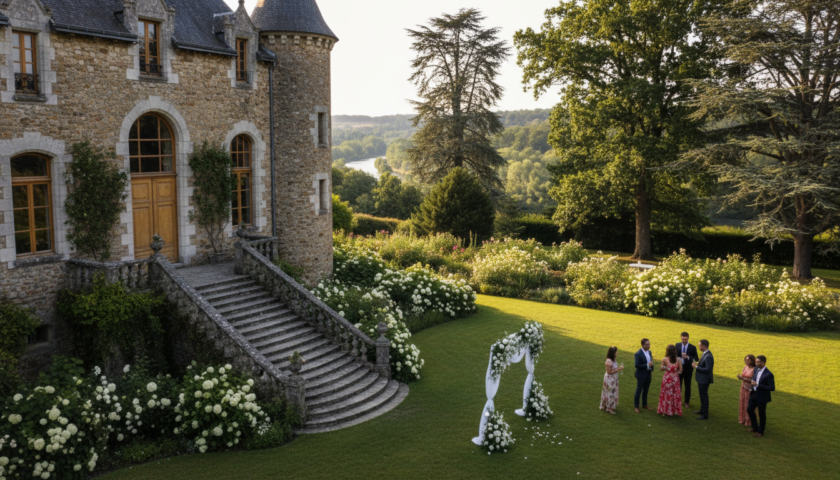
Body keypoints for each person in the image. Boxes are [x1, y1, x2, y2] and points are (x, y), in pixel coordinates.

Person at [748, 355, 775, 437]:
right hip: (754, 394)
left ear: (763, 363)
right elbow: (754, 378)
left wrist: (758, 385)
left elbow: (772, 387)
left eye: (758, 362)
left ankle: (760, 431)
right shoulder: (756, 369)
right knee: (749, 409)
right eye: (756, 361)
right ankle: (754, 427)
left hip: (762, 396)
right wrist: (752, 383)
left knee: (761, 414)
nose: (756, 363)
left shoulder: (769, 374)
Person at [657, 344, 683, 416]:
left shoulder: (675, 359)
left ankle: (667, 410)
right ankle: (671, 411)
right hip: (672, 379)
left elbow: (680, 370)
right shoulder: (675, 359)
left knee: (669, 394)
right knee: (671, 394)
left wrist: (672, 373)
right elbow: (680, 370)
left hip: (670, 379)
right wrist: (673, 372)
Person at [692, 339, 714, 420]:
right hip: (702, 379)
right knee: (702, 395)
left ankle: (705, 414)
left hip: (704, 380)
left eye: (700, 345)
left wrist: (696, 367)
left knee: (704, 396)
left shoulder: (708, 356)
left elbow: (707, 369)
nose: (699, 347)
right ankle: (702, 410)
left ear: (704, 346)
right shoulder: (705, 354)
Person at [677, 332, 699, 408]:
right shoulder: (677, 345)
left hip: (688, 370)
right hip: (679, 369)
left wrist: (688, 357)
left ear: (688, 338)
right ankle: (678, 401)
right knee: (678, 386)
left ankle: (686, 402)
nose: (684, 341)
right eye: (683, 339)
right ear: (681, 338)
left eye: (685, 339)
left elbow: (696, 358)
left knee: (687, 386)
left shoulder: (693, 347)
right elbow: (674, 356)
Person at [600, 346, 624, 414]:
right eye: (616, 352)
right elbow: (609, 372)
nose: (617, 353)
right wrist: (618, 369)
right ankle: (609, 408)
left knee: (610, 392)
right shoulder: (609, 361)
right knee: (610, 393)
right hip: (610, 380)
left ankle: (605, 405)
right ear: (613, 353)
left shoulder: (613, 359)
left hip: (614, 379)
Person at [634, 338, 654, 413]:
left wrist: (651, 365)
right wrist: (647, 365)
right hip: (641, 375)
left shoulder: (649, 352)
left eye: (649, 344)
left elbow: (650, 361)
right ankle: (636, 406)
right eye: (646, 344)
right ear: (642, 345)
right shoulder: (638, 353)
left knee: (646, 390)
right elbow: (637, 365)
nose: (648, 345)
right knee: (639, 390)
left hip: (648, 374)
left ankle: (644, 404)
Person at [737, 355, 756, 426]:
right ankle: (743, 419)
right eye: (745, 360)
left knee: (748, 404)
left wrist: (742, 378)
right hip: (743, 387)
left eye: (748, 360)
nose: (746, 361)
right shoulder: (745, 367)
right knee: (742, 402)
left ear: (752, 360)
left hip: (749, 388)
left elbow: (753, 380)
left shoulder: (754, 369)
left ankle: (749, 421)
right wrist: (741, 378)